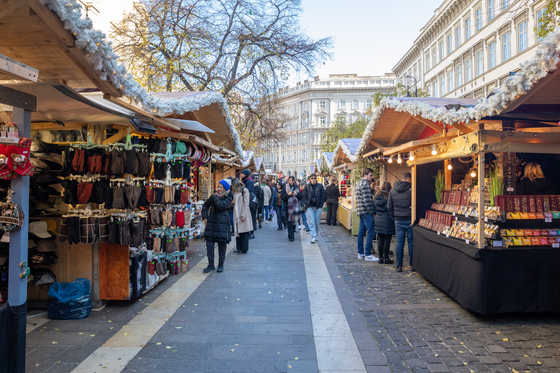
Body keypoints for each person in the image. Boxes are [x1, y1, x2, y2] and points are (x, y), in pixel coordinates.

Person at [202, 179, 233, 273]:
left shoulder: (229, 197)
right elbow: (205, 206)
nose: (218, 189)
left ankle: (221, 264)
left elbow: (220, 206)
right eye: (218, 187)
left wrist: (214, 197)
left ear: (225, 188)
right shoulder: (214, 197)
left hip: (222, 226)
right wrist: (205, 217)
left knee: (222, 246)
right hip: (211, 225)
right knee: (209, 245)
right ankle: (210, 264)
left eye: (220, 187)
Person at [388, 172, 413, 272]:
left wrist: (394, 216)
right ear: (408, 180)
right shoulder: (411, 190)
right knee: (411, 242)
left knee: (399, 243)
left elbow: (389, 206)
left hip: (398, 219)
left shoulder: (392, 191)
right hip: (410, 218)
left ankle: (399, 265)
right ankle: (412, 265)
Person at [355, 167, 378, 261]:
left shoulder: (359, 183)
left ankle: (361, 253)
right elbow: (367, 200)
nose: (372, 177)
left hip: (361, 211)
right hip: (366, 211)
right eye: (370, 175)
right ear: (365, 175)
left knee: (361, 232)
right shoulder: (365, 184)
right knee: (371, 231)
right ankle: (368, 254)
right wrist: (372, 212)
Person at [374, 181, 394, 265]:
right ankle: (386, 258)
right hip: (387, 219)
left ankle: (380, 258)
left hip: (378, 218)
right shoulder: (389, 196)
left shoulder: (376, 196)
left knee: (380, 239)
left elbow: (373, 208)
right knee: (387, 240)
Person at [232, 178, 253, 254]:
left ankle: (244, 249)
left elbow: (246, 203)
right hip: (236, 213)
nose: (232, 187)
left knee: (244, 232)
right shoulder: (235, 192)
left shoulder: (244, 190)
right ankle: (239, 248)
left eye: (233, 186)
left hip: (243, 213)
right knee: (238, 231)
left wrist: (243, 214)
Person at [303, 173, 325, 244]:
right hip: (310, 207)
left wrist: (321, 206)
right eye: (312, 178)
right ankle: (313, 236)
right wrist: (307, 205)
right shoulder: (307, 186)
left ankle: (316, 234)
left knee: (316, 222)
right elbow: (304, 196)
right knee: (311, 222)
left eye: (314, 178)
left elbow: (323, 196)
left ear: (316, 179)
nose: (313, 180)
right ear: (309, 179)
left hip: (318, 207)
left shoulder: (320, 186)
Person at [281, 176, 302, 242]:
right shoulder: (285, 187)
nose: (291, 181)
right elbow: (282, 197)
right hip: (288, 207)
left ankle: (290, 233)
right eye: (290, 180)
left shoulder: (297, 187)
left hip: (295, 208)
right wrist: (288, 195)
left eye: (292, 180)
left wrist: (297, 194)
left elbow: (301, 197)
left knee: (294, 222)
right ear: (288, 181)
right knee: (289, 222)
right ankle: (291, 236)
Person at [240, 169, 256, 239]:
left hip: (249, 203)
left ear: (245, 174)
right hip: (248, 202)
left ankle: (251, 232)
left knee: (250, 218)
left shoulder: (248, 182)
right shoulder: (247, 181)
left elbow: (249, 193)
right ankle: (250, 232)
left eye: (242, 173)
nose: (241, 175)